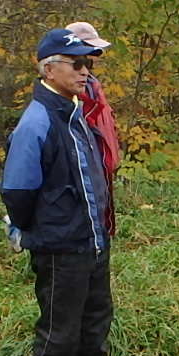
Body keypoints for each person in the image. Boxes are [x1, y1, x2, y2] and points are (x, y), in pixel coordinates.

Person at [2, 28, 116, 356]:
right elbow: (17, 189)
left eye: (90, 63)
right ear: (49, 69)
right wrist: (34, 229)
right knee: (59, 325)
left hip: (93, 241)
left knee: (96, 317)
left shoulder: (75, 112)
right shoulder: (37, 121)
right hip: (60, 245)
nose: (87, 72)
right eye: (78, 64)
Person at [64, 20, 121, 240]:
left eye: (92, 59)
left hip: (101, 175)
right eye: (81, 60)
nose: (86, 68)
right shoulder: (67, 95)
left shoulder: (93, 87)